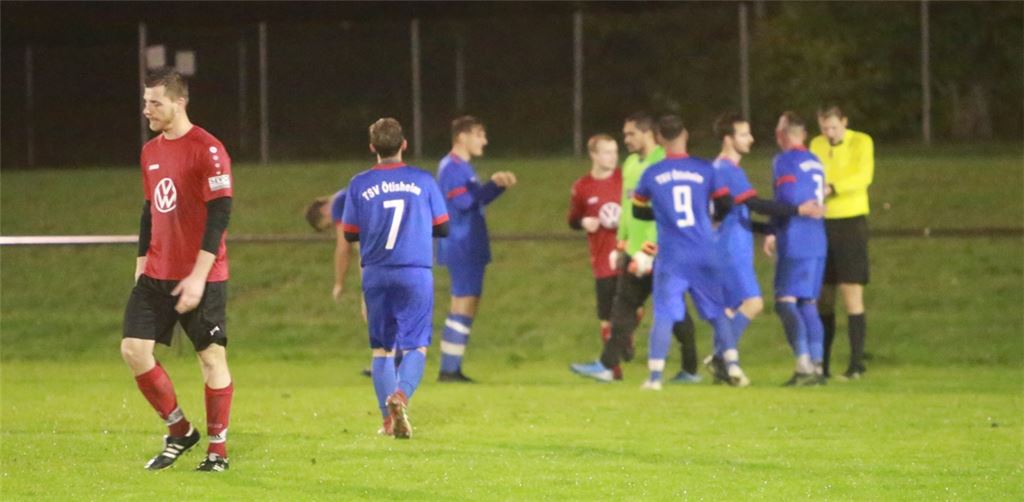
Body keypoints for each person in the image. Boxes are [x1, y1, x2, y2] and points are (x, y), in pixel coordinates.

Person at [120, 67, 234, 471]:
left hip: (202, 274)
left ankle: (217, 449)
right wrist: (140, 263)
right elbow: (150, 210)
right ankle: (180, 430)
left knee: (211, 358)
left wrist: (199, 276)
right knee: (134, 350)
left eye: (155, 102)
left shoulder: (208, 148)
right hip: (156, 273)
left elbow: (220, 215)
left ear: (179, 102)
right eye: (145, 101)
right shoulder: (150, 152)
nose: (147, 109)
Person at [571, 113, 700, 384]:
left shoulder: (662, 164)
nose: (626, 139)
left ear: (647, 134)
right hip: (633, 251)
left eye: (630, 134)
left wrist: (649, 250)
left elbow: (665, 213)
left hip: (660, 252)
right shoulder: (631, 164)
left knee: (675, 311)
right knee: (623, 307)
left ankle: (690, 368)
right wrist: (622, 244)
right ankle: (608, 365)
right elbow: (628, 209)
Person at [341, 118, 449, 439]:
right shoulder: (423, 181)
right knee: (416, 345)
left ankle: (387, 422)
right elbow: (443, 227)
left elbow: (349, 234)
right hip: (414, 271)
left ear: (372, 147)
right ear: (404, 144)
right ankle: (400, 396)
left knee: (381, 351)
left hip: (376, 272)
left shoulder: (359, 183)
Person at [708, 113, 824, 382]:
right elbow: (756, 204)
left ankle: (721, 361)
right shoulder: (726, 169)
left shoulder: (729, 169)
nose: (751, 138)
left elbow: (737, 212)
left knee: (731, 308)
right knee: (754, 302)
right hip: (730, 247)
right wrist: (797, 209)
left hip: (734, 242)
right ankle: (721, 358)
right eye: (744, 134)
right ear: (728, 139)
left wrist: (766, 230)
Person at [633, 114, 744, 389]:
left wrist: (660, 214)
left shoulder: (652, 173)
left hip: (673, 255)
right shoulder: (705, 169)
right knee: (717, 313)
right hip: (705, 250)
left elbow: (638, 209)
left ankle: (655, 378)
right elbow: (725, 204)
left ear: (658, 138)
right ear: (685, 136)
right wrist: (710, 219)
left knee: (665, 313)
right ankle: (733, 367)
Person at [435, 116, 517, 382]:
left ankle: (451, 367)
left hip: (467, 242)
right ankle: (449, 369)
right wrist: (492, 184)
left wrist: (497, 187)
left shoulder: (462, 167)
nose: (485, 140)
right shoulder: (451, 168)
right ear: (462, 137)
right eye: (480, 134)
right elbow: (464, 204)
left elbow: (473, 201)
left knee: (466, 302)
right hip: (462, 242)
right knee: (463, 301)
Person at [763, 111, 828, 386]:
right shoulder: (816, 161)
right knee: (808, 303)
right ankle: (817, 365)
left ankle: (803, 365)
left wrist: (771, 230)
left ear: (785, 134)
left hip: (796, 237)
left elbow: (787, 198)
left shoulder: (785, 160)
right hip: (818, 239)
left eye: (779, 130)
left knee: (785, 301)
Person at [810, 105, 874, 379]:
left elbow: (863, 176)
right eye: (825, 128)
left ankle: (856, 364)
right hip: (822, 224)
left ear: (844, 122)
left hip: (850, 223)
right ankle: (822, 365)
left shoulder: (861, 141)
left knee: (852, 293)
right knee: (823, 296)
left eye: (834, 127)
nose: (830, 133)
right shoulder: (815, 144)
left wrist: (833, 188)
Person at [566, 134, 624, 379]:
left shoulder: (625, 180)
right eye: (607, 152)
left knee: (628, 308)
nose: (613, 157)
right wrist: (583, 222)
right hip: (601, 259)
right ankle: (613, 370)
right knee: (605, 316)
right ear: (594, 155)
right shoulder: (582, 187)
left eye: (614, 151)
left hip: (626, 254)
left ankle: (621, 347)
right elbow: (572, 220)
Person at [306, 192, 375, 377]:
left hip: (373, 257)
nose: (335, 224)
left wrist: (339, 283)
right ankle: (398, 359)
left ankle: (383, 361)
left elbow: (343, 247)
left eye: (329, 223)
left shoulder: (339, 202)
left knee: (371, 310)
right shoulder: (356, 192)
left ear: (324, 209)